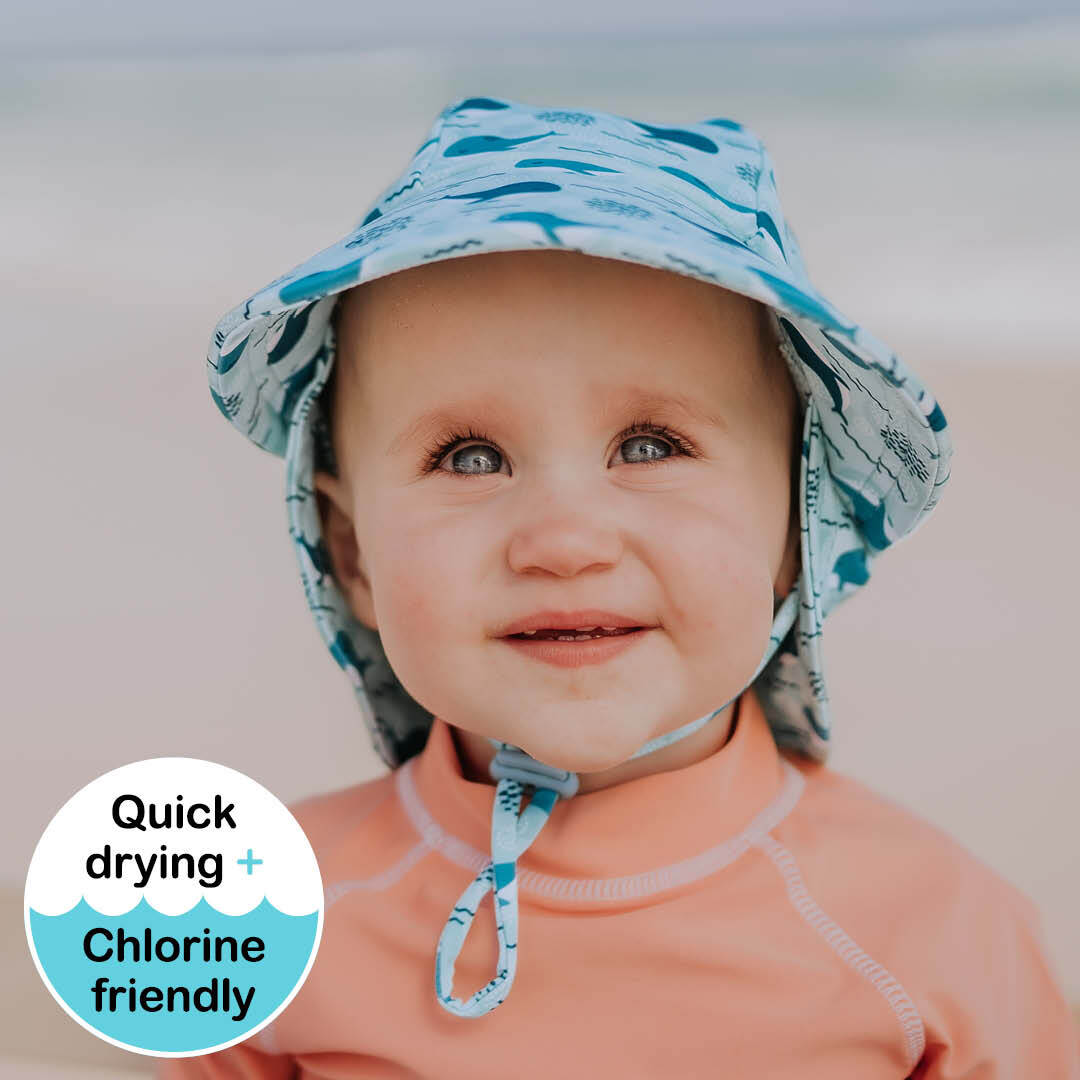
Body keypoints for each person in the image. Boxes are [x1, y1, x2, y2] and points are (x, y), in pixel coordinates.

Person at [160, 95, 1079, 1077]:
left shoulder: (935, 934)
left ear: (794, 535)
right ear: (352, 557)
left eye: (650, 446)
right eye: (470, 457)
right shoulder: (261, 917)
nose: (564, 541)